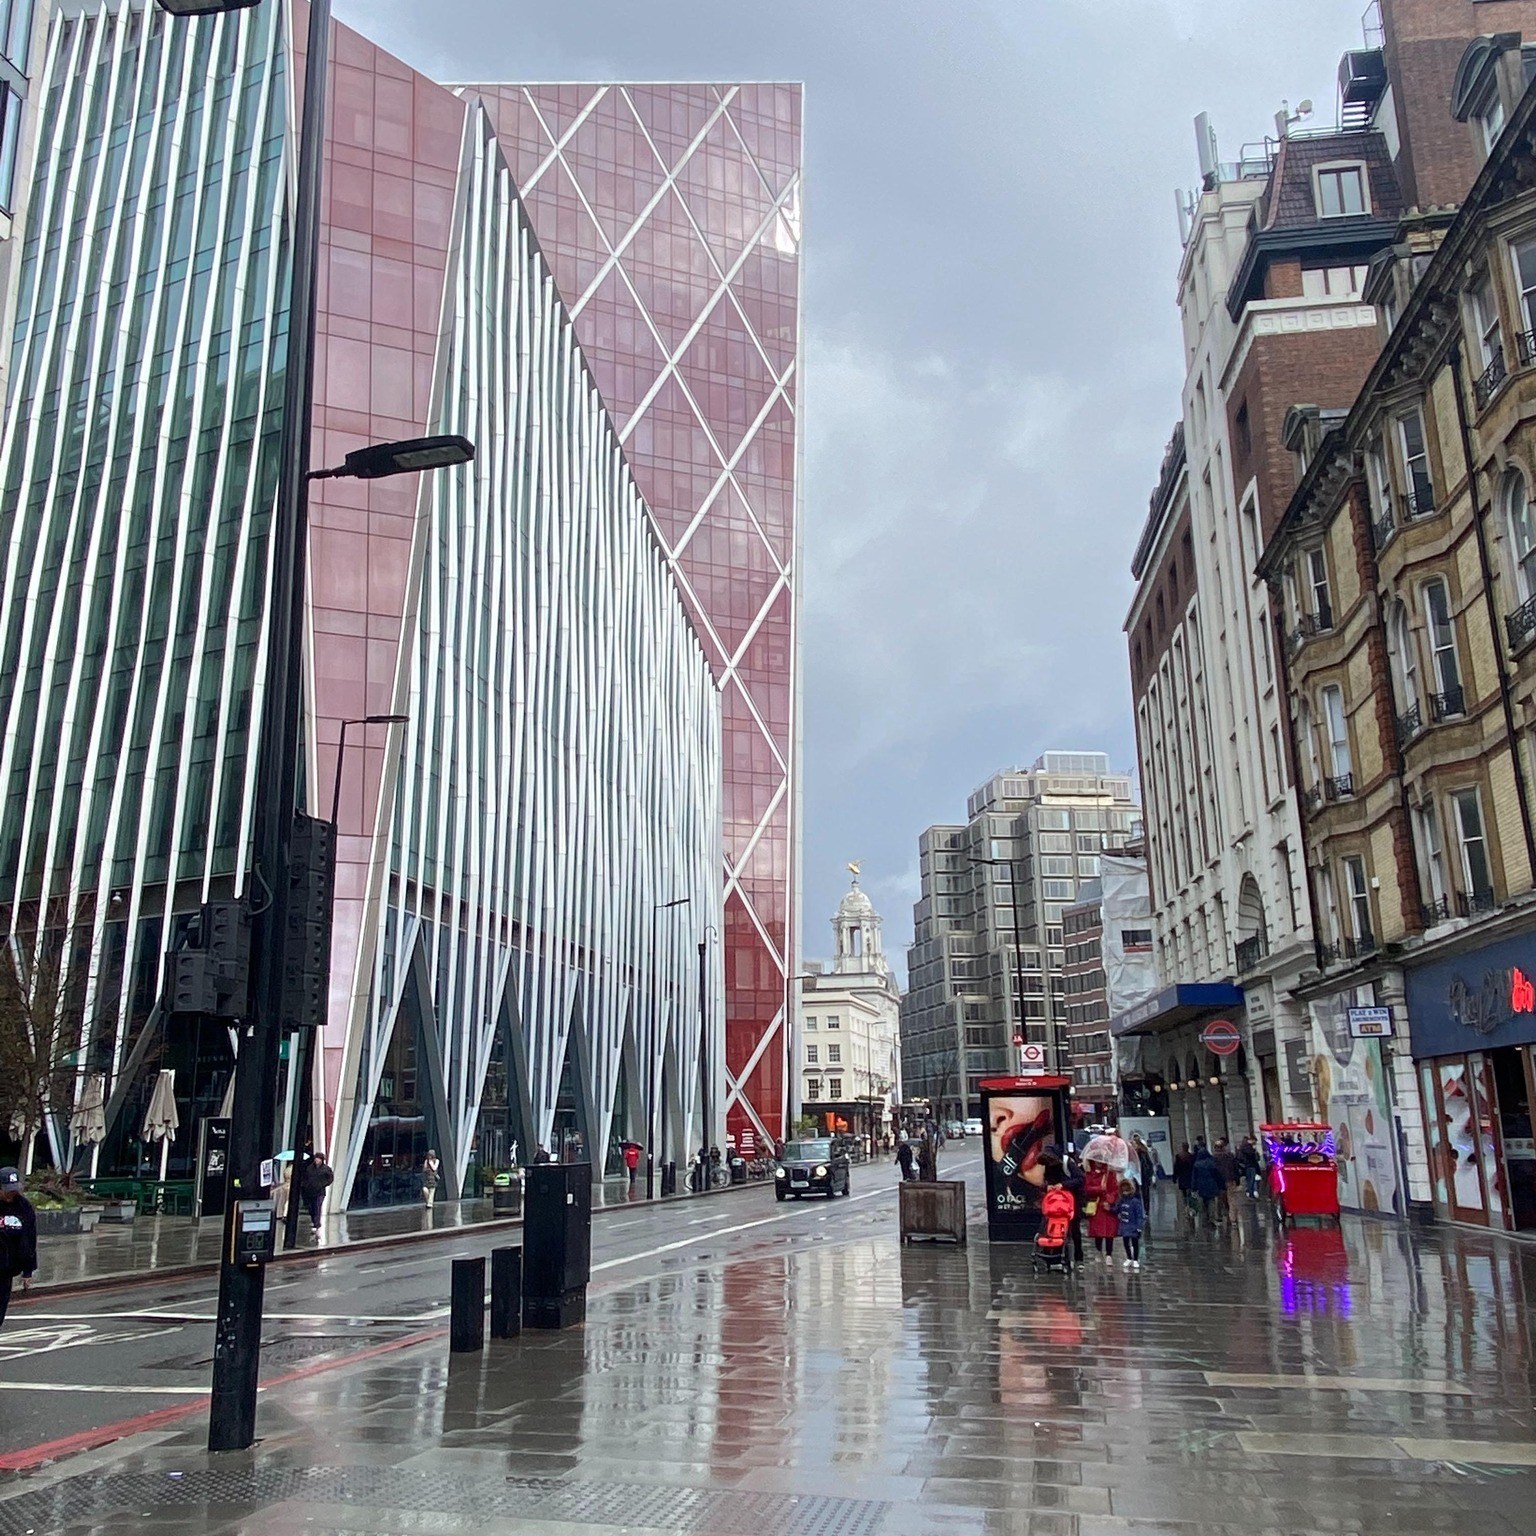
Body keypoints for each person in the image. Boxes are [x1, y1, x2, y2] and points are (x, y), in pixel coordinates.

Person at [0, 1167, 36, 1329]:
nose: (11, 1194)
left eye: (14, 1190)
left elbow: (29, 1239)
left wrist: (28, 1271)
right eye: (7, 1190)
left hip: (6, 1270)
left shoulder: (24, 1207)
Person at [1084, 1160, 1120, 1263]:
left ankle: (1109, 1253)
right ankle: (1098, 1250)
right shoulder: (1089, 1174)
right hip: (1096, 1206)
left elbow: (1115, 1189)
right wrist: (1099, 1189)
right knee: (1098, 1231)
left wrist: (1110, 1201)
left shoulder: (1110, 1173)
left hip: (1107, 1206)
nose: (1099, 1163)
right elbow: (1087, 1188)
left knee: (1109, 1231)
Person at [1116, 1176, 1147, 1270]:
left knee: (1135, 1243)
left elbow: (1139, 1215)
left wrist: (1139, 1226)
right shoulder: (1121, 1201)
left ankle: (1135, 1259)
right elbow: (1117, 1209)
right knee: (1126, 1242)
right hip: (1124, 1226)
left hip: (1133, 1226)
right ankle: (1129, 1257)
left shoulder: (1135, 1202)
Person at [1190, 1143, 1223, 1228]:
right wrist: (1220, 1185)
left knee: (1203, 1203)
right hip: (1211, 1185)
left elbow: (1194, 1177)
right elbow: (1217, 1175)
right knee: (1211, 1201)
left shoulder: (1196, 1164)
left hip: (1201, 1186)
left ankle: (1204, 1218)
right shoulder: (1212, 1163)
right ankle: (1211, 1219)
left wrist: (1193, 1188)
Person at [299, 1153, 334, 1233]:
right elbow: (305, 1178)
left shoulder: (326, 1169)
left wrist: (323, 1184)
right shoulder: (309, 1168)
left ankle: (317, 1223)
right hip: (310, 1191)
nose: (316, 1160)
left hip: (320, 1191)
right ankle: (313, 1220)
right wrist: (306, 1185)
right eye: (316, 1158)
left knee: (317, 1207)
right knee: (312, 1208)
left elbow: (330, 1179)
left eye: (318, 1159)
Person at [1212, 1139, 1240, 1224]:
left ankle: (1219, 1217)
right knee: (1232, 1199)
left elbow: (1213, 1170)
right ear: (1224, 1147)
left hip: (1219, 1181)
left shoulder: (1214, 1157)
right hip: (1231, 1179)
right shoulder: (1230, 1155)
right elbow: (1236, 1168)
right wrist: (1237, 1179)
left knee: (1219, 1199)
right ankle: (1233, 1219)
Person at [1172, 1142, 1195, 1227]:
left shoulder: (1179, 1156)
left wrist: (1174, 1178)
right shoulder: (1191, 1156)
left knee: (1184, 1193)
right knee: (1190, 1193)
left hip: (1182, 1178)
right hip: (1189, 1177)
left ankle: (1186, 1207)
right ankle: (1190, 1207)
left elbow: (1176, 1168)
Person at [1237, 1136, 1262, 1200]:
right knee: (1251, 1180)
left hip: (1248, 1165)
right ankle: (1251, 1194)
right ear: (1252, 1140)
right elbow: (1252, 1155)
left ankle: (1251, 1193)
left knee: (1250, 1180)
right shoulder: (1247, 1147)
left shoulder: (1243, 1146)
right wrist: (1253, 1150)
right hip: (1250, 1165)